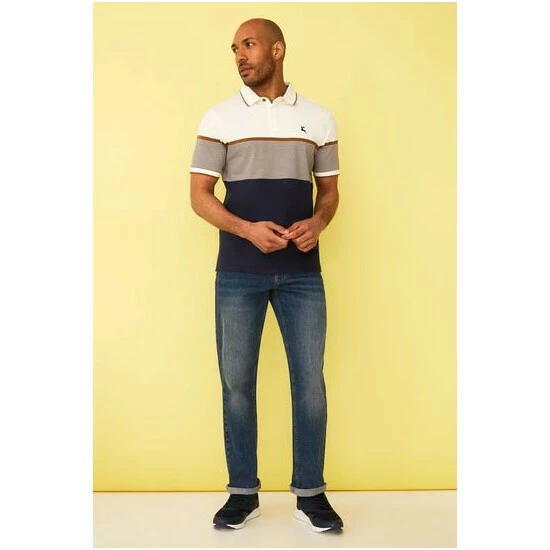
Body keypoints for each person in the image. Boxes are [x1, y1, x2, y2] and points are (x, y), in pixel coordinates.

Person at [189, 18, 344, 533]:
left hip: (302, 275)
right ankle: (242, 493)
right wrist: (247, 231)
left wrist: (318, 224)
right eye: (235, 48)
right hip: (239, 272)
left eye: (249, 45)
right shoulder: (220, 117)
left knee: (310, 384)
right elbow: (199, 196)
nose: (240, 55)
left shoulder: (318, 118)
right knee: (236, 383)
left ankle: (311, 495)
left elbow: (329, 194)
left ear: (277, 50)